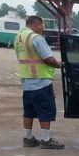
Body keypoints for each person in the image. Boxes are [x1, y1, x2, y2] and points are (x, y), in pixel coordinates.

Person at [15, 16, 64, 149]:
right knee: (46, 110)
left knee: (28, 111)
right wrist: (60, 65)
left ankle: (28, 138)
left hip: (26, 81)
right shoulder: (36, 38)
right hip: (40, 81)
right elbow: (49, 59)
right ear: (36, 25)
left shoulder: (19, 37)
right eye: (42, 26)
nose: (43, 29)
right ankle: (46, 140)